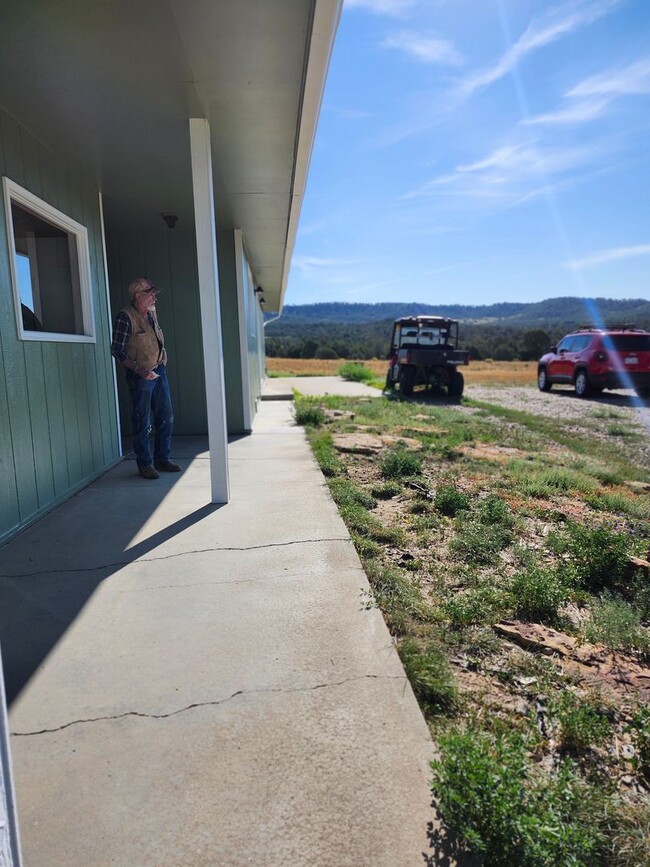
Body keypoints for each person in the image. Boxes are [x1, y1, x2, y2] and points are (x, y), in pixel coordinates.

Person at [111, 277, 181, 480]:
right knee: (143, 420)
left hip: (159, 371)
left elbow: (154, 337)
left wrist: (163, 352)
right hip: (140, 376)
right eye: (150, 294)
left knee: (166, 416)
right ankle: (145, 464)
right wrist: (138, 369)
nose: (154, 298)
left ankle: (162, 459)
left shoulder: (151, 313)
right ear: (138, 296)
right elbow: (117, 350)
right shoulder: (125, 317)